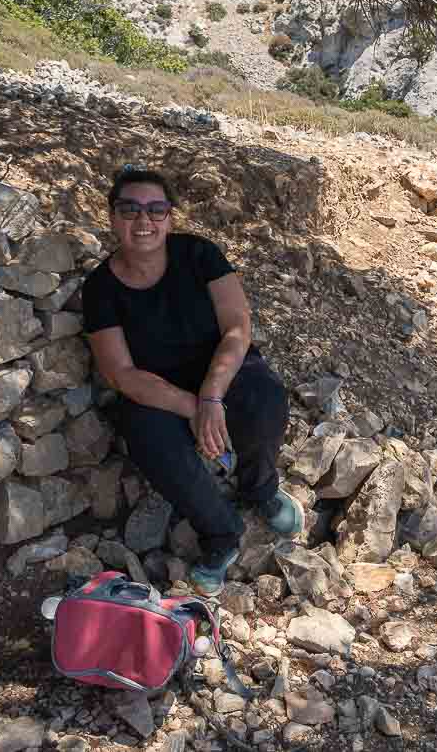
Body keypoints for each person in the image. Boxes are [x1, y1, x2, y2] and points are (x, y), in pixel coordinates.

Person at [81, 165, 301, 596]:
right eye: (129, 209)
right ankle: (220, 534)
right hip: (157, 390)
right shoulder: (100, 289)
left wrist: (212, 396)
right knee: (143, 433)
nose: (143, 221)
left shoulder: (200, 256)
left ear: (170, 217)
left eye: (156, 209)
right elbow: (121, 373)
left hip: (220, 371)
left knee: (265, 394)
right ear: (111, 217)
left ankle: (261, 489)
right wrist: (194, 408)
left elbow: (238, 328)